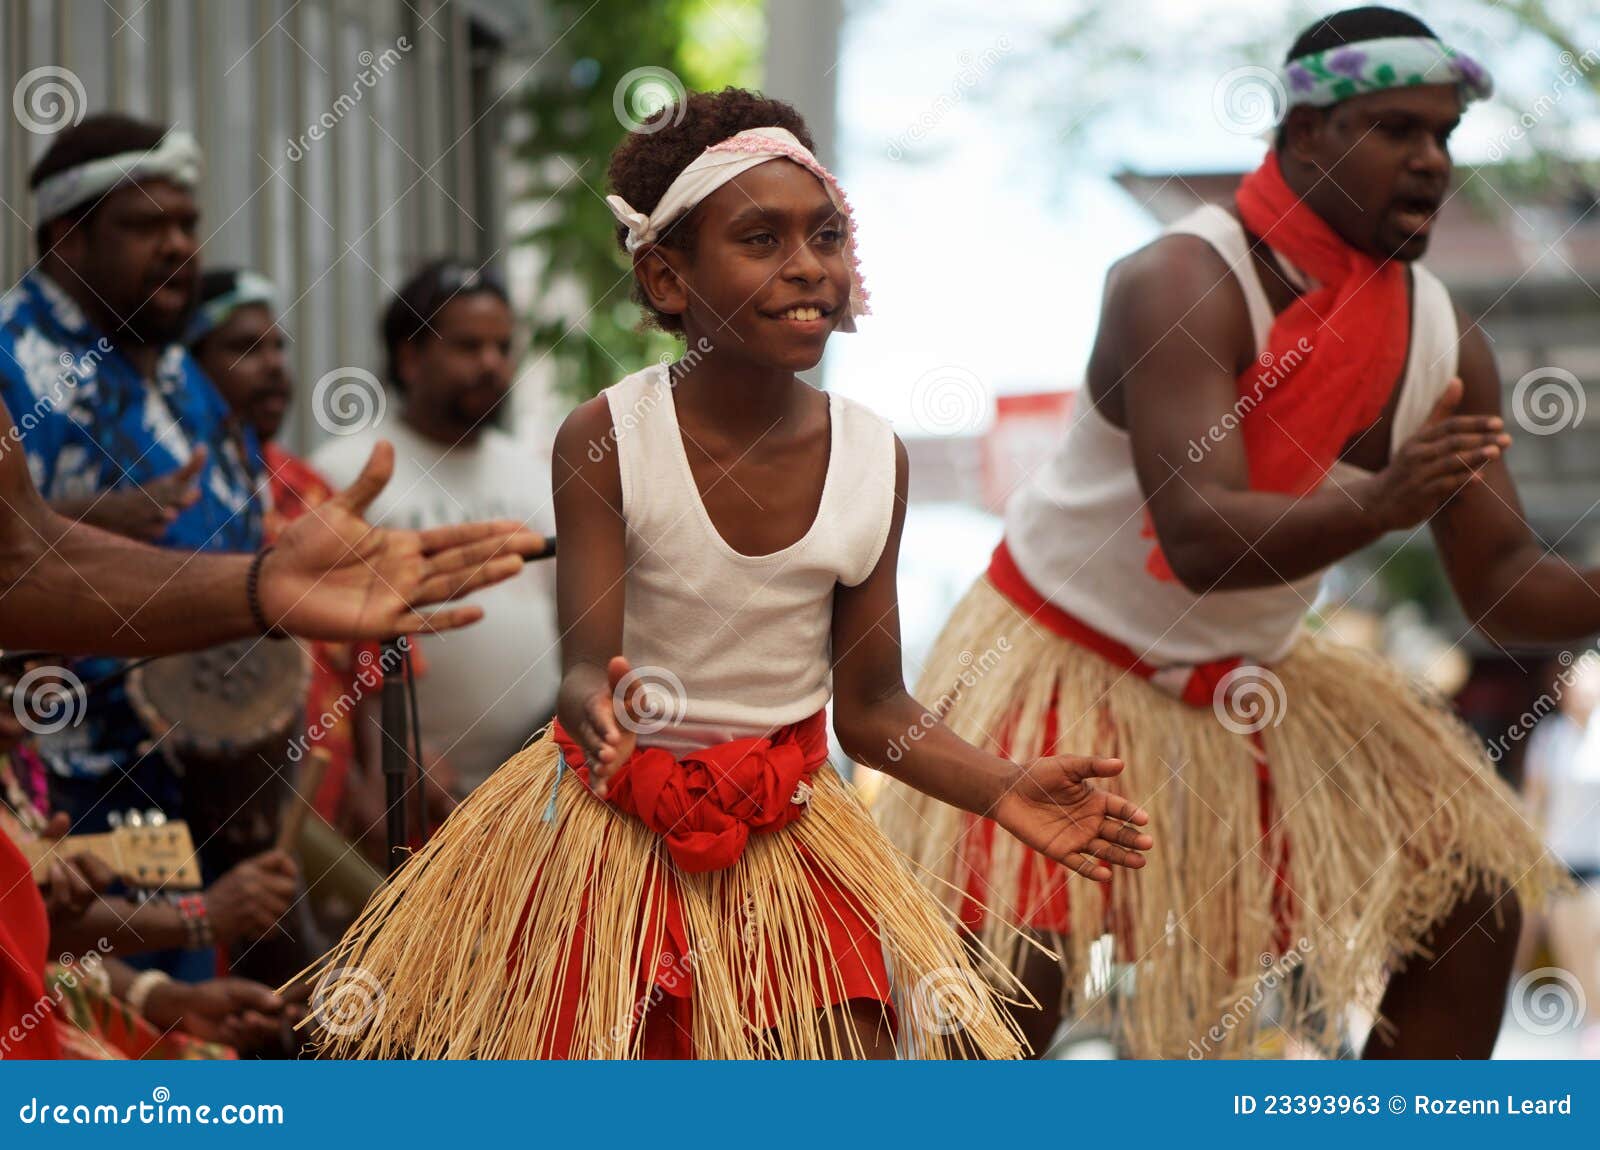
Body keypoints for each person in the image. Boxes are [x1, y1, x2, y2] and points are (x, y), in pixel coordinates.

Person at [302, 88, 1151, 1060]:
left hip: (790, 832)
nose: (808, 267)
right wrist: (594, 708)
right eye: (762, 239)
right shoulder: (607, 438)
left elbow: (871, 709)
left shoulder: (874, 457)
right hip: (614, 830)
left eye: (826, 235)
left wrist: (1002, 786)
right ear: (667, 277)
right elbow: (586, 665)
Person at [877, 6, 1571, 1060]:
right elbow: (1202, 538)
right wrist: (1383, 505)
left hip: (1250, 677)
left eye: (1444, 134)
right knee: (996, 1009)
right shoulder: (1178, 281)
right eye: (1395, 129)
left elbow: (1502, 585)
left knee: (1469, 894)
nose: (1431, 159)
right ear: (1301, 137)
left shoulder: (1444, 341)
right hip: (1060, 664)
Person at [312, 261, 558, 798]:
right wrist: (372, 765)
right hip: (400, 794)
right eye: (468, 347)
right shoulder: (349, 471)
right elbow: (322, 650)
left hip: (536, 788)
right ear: (410, 357)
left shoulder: (535, 470)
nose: (491, 364)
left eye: (502, 347)